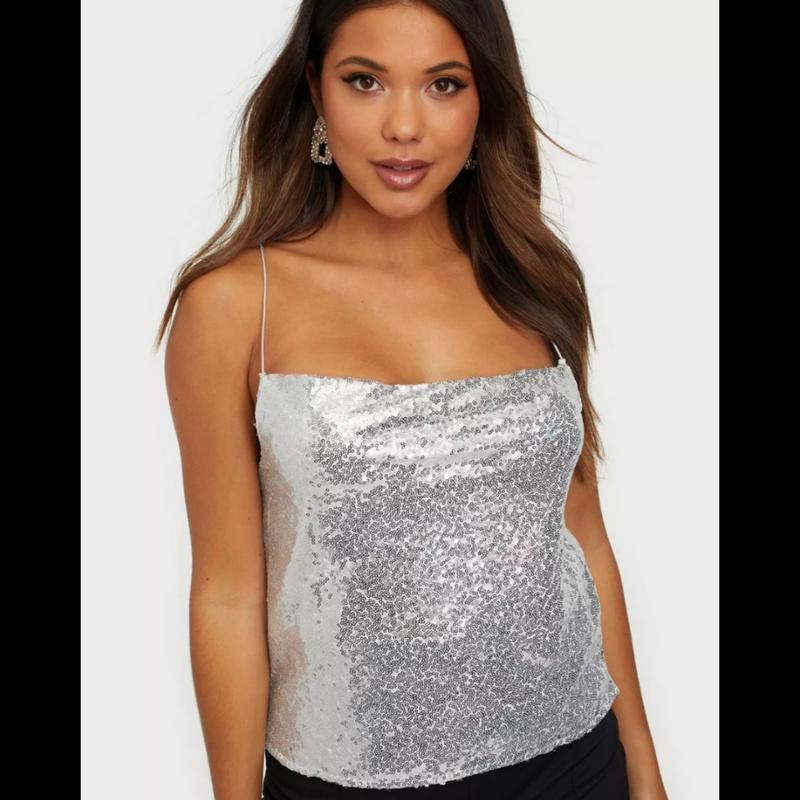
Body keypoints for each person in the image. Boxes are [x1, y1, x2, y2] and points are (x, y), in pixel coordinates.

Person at [158, 1, 668, 798]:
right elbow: (227, 590)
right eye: (365, 81)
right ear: (315, 91)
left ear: (483, 99)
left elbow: (583, 534)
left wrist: (643, 766)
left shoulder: (532, 276)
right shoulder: (233, 305)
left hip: (575, 763)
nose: (404, 126)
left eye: (443, 84)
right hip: (345, 779)